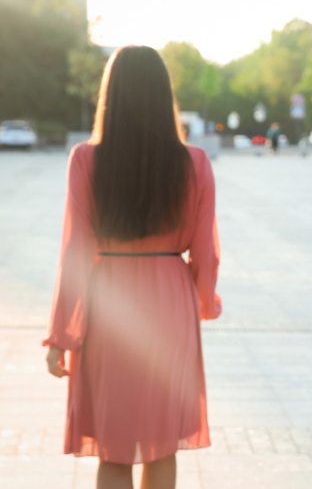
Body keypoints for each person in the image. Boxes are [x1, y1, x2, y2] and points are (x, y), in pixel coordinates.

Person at [44, 46, 221, 489]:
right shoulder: (195, 163)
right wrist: (202, 302)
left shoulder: (86, 160)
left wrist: (60, 334)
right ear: (164, 97)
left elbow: (75, 253)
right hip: (169, 304)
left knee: (114, 447)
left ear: (111, 94)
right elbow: (206, 252)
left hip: (109, 306)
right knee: (161, 446)